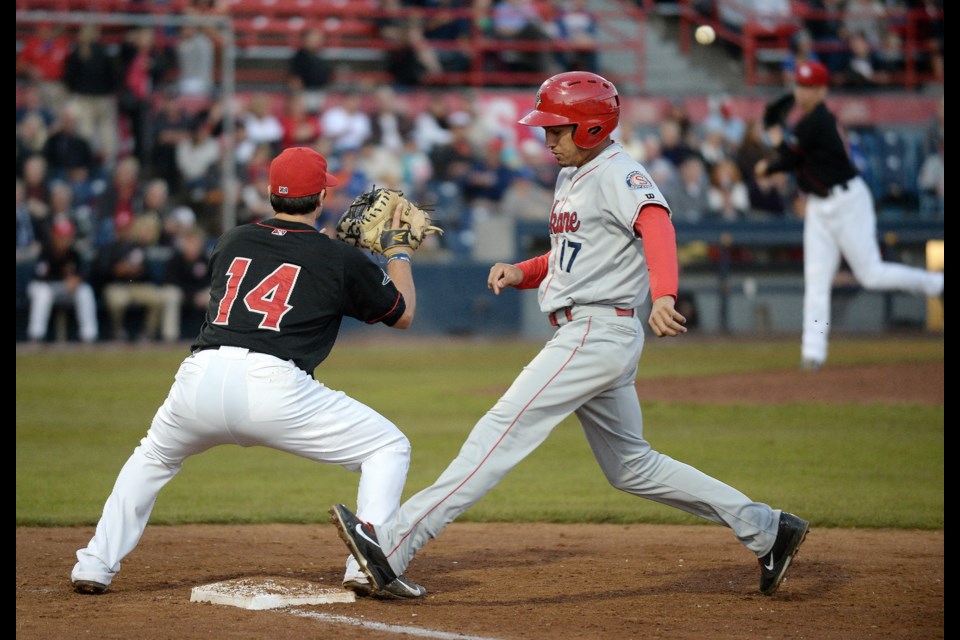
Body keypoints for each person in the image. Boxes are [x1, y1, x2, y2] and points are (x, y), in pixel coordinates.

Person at [330, 71, 810, 600]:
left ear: (591, 128)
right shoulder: (574, 176)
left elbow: (657, 224)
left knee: (498, 434)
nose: (546, 138)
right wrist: (524, 271)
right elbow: (572, 260)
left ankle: (393, 546)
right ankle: (768, 529)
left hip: (594, 332)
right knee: (633, 467)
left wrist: (666, 294)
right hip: (596, 331)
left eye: (557, 128)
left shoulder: (619, 172)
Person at [71, 146, 427, 599]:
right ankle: (367, 563)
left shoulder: (233, 239)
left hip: (199, 378)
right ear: (320, 196)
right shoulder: (338, 258)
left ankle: (95, 564)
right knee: (387, 446)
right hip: (274, 387)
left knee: (153, 458)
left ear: (270, 193)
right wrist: (397, 253)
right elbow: (403, 314)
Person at [754, 61, 944, 371]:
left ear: (822, 90)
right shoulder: (807, 123)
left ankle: (936, 284)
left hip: (848, 201)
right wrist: (777, 137)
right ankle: (812, 352)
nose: (802, 92)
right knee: (816, 280)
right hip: (818, 206)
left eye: (809, 86)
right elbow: (794, 153)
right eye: (800, 86)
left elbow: (788, 157)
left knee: (871, 274)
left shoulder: (820, 120)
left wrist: (767, 161)